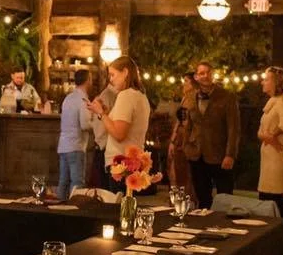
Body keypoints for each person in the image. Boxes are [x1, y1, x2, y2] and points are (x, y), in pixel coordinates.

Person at [183, 61, 240, 209]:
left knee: (225, 199)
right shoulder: (190, 97)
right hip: (196, 154)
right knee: (203, 199)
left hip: (219, 154)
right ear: (196, 76)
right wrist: (186, 147)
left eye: (208, 72)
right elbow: (188, 125)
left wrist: (230, 154)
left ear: (213, 75)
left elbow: (233, 128)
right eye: (201, 73)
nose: (205, 76)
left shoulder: (227, 96)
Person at [90, 56, 151, 190]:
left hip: (121, 163)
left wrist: (101, 113)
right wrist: (106, 113)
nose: (111, 80)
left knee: (117, 208)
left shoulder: (126, 95)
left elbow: (119, 134)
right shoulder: (141, 96)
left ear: (125, 72)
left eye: (113, 75)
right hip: (133, 161)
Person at [256, 66, 283, 220]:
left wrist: (272, 136)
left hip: (277, 159)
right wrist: (265, 136)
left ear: (276, 82)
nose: (262, 82)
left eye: (266, 79)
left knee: (275, 203)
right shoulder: (272, 102)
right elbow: (260, 130)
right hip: (268, 159)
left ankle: (281, 240)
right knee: (265, 200)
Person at [56, 69, 94, 200]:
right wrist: (97, 121)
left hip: (63, 146)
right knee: (77, 183)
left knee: (63, 182)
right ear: (88, 80)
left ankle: (59, 209)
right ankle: (75, 209)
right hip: (76, 146)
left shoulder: (68, 98)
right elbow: (85, 125)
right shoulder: (83, 100)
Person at [166, 73, 195, 192]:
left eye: (187, 81)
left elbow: (183, 121)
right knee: (176, 171)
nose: (184, 84)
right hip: (180, 136)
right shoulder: (185, 98)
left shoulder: (193, 99)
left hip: (185, 138)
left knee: (183, 172)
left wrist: (174, 140)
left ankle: (183, 199)